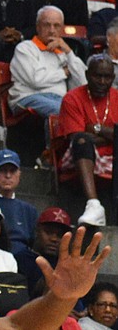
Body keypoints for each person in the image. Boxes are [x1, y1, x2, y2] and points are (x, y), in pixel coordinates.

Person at [55, 54, 118, 230]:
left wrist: (97, 129)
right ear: (87, 74)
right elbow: (76, 137)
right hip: (81, 158)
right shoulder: (73, 98)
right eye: (98, 76)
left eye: (107, 77)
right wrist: (110, 135)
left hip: (113, 157)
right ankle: (93, 204)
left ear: (113, 78)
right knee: (82, 142)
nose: (102, 81)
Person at [8, 5, 85, 119]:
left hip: (59, 100)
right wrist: (64, 72)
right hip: (29, 97)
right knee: (68, 113)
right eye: (47, 25)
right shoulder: (25, 48)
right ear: (38, 27)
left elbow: (83, 84)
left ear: (62, 29)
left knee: (82, 113)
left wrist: (68, 51)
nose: (52, 30)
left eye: (57, 26)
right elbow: (36, 80)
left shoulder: (64, 53)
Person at [14, 205, 71, 299]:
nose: (54, 239)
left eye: (60, 235)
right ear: (37, 231)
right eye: (48, 232)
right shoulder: (20, 259)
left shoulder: (66, 264)